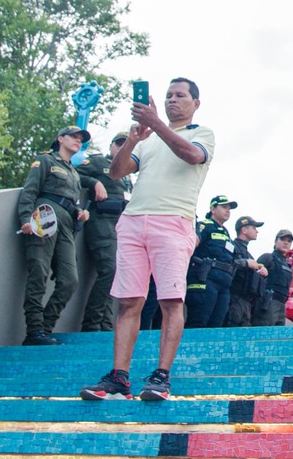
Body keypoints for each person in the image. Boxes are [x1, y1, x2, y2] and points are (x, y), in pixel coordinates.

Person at [80, 77, 215, 402]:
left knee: (170, 302)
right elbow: (116, 172)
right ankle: (119, 377)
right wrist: (133, 139)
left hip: (173, 221)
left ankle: (161, 377)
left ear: (195, 103)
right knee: (129, 302)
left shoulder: (202, 133)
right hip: (133, 221)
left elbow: (191, 156)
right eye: (168, 95)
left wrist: (156, 123)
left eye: (180, 95)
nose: (172, 100)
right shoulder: (148, 138)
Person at [18, 126, 91, 346]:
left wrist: (80, 212)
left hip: (67, 224)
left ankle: (45, 327)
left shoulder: (74, 172)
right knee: (38, 273)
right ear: (60, 139)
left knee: (70, 280)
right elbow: (30, 190)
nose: (78, 141)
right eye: (74, 137)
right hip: (44, 219)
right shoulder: (46, 161)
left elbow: (72, 201)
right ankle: (34, 331)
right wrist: (24, 219)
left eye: (81, 139)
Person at [75, 132, 133, 332]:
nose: (121, 147)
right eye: (118, 144)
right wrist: (95, 182)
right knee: (110, 269)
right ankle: (91, 324)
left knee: (114, 274)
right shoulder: (99, 162)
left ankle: (106, 325)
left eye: (126, 145)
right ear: (111, 146)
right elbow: (75, 173)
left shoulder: (127, 176)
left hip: (120, 226)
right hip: (101, 221)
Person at [186, 195, 239, 329]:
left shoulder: (225, 233)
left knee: (216, 326)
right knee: (198, 323)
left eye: (229, 208)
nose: (228, 211)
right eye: (224, 207)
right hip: (205, 281)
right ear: (213, 209)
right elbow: (191, 244)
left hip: (224, 285)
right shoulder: (205, 226)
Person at [225, 216, 269, 327]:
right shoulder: (231, 246)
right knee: (231, 330)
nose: (257, 231)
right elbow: (226, 263)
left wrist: (261, 272)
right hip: (233, 298)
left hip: (247, 302)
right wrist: (245, 263)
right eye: (254, 228)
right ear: (244, 230)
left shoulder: (249, 254)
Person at [253, 229, 293, 327]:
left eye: (289, 241)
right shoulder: (267, 257)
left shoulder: (288, 265)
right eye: (283, 239)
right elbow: (254, 278)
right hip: (267, 303)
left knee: (277, 338)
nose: (286, 242)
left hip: (282, 305)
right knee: (264, 335)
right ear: (276, 241)